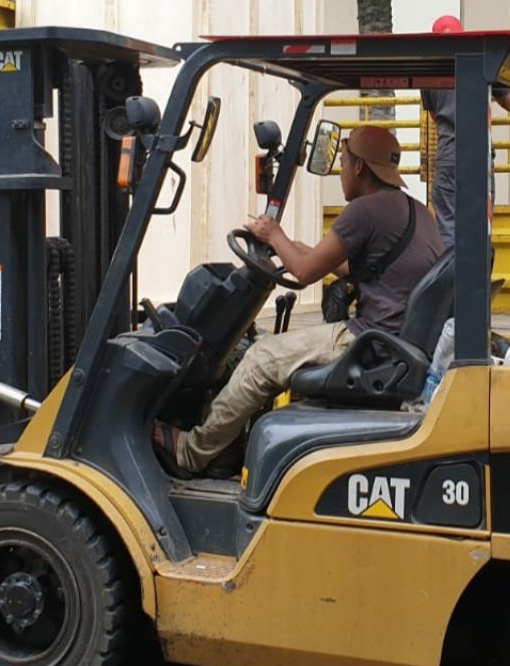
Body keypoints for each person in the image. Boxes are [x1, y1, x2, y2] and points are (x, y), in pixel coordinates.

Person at [160, 125, 444, 477]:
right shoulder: (414, 210)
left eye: (342, 163)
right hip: (399, 339)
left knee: (260, 357)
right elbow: (355, 265)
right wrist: (292, 246)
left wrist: (274, 235)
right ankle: (231, 449)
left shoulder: (364, 211)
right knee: (270, 351)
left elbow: (305, 273)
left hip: (371, 341)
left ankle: (192, 452)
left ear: (359, 168)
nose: (340, 172)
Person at [421, 15, 510, 249]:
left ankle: (451, 282)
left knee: (448, 227)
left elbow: (433, 114)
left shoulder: (428, 72)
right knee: (480, 226)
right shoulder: (482, 62)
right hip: (478, 154)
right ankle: (478, 283)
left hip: (447, 154)